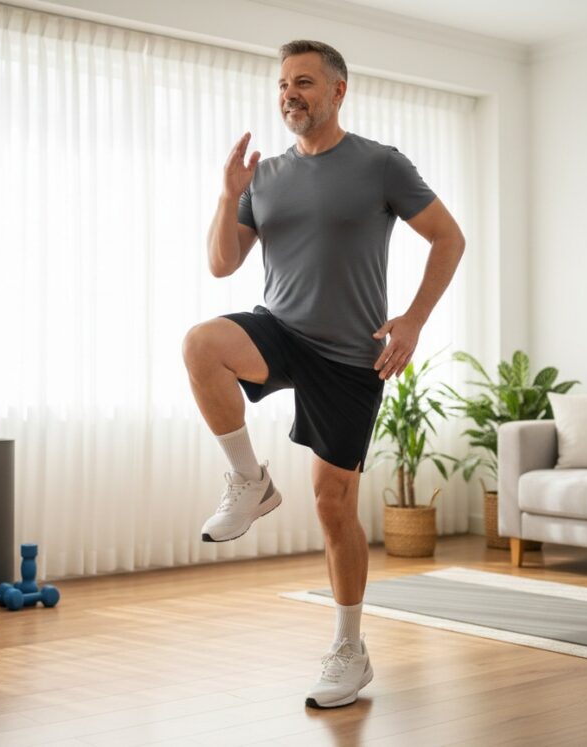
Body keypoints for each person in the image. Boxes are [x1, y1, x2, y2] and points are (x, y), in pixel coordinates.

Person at [182, 39, 466, 709]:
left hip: (349, 357)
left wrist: (414, 319)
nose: (290, 93)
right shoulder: (267, 175)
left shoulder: (381, 165)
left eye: (304, 82)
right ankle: (249, 480)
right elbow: (223, 264)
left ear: (338, 91)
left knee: (333, 506)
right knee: (202, 344)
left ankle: (349, 648)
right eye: (283, 83)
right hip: (279, 330)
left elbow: (449, 238)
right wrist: (229, 196)